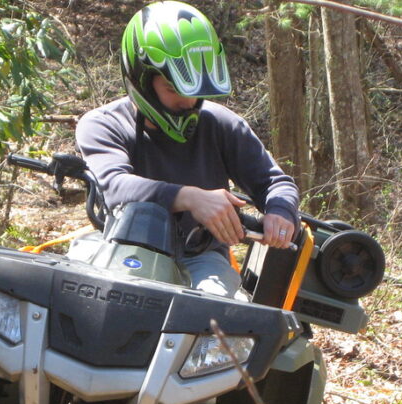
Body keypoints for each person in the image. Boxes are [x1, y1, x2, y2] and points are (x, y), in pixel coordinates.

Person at [75, 0, 299, 298]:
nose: (187, 103)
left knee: (213, 312)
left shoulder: (220, 124)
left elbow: (274, 182)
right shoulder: (103, 124)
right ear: (141, 78)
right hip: (119, 246)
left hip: (201, 258)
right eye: (173, 89)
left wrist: (280, 212)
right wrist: (190, 198)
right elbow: (115, 186)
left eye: (194, 92)